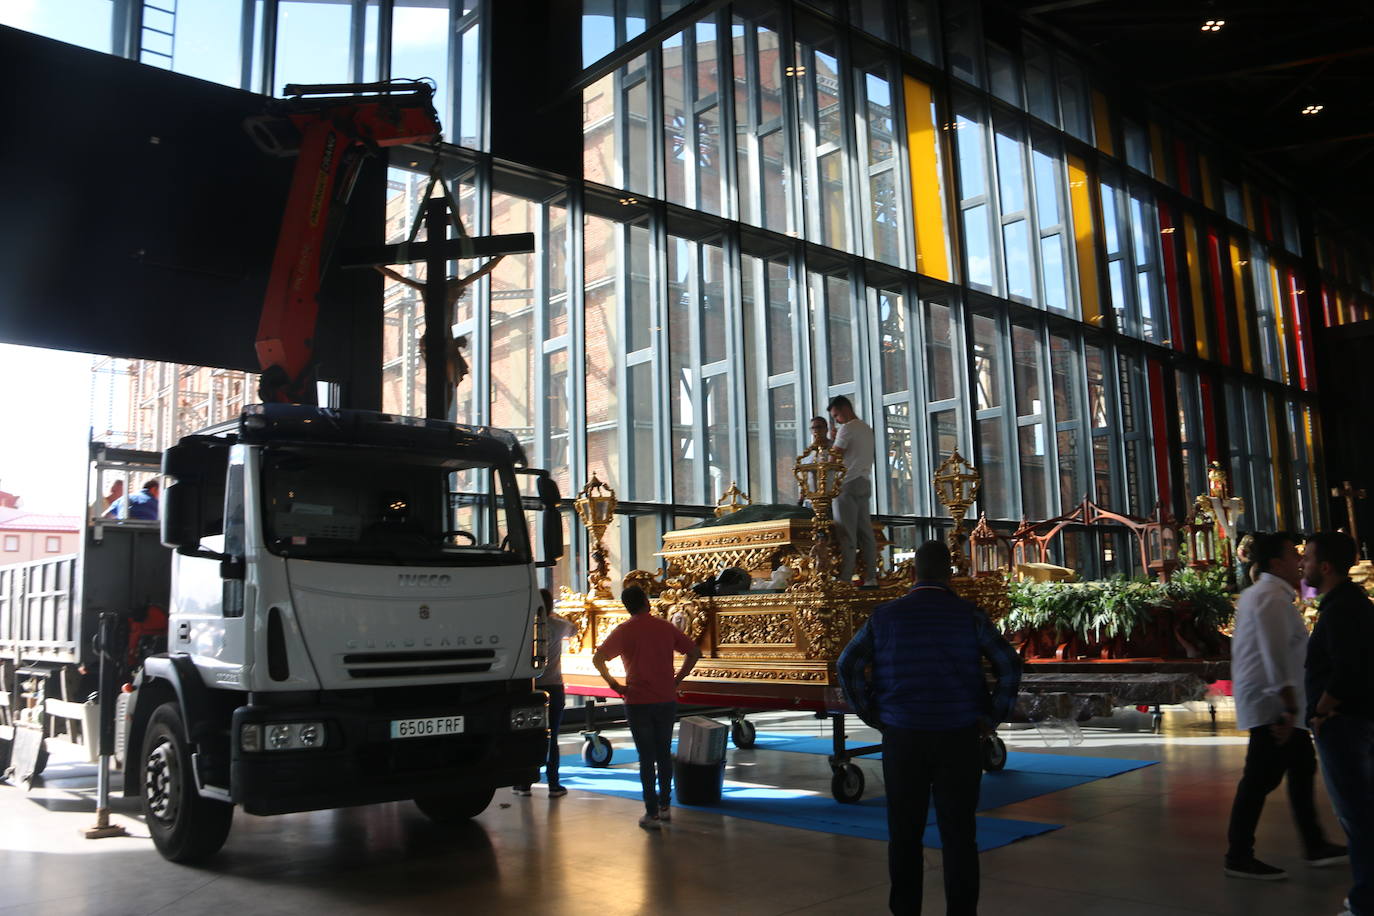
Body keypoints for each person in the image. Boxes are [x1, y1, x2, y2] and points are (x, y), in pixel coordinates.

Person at [838, 540, 1021, 916]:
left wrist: (872, 713)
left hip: (903, 736)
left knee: (904, 835)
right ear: (949, 574)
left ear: (912, 573)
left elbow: (847, 664)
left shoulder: (884, 616)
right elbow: (1009, 665)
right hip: (959, 736)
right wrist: (991, 717)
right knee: (959, 836)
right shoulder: (969, 616)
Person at [1224, 532, 1347, 880]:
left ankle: (1314, 844)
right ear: (1276, 563)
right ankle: (1238, 855)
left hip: (1277, 701)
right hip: (1272, 703)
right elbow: (1273, 653)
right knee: (1259, 779)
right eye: (1294, 556)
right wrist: (1287, 705)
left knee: (1301, 767)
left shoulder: (1271, 594)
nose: (1300, 561)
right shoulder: (1269, 598)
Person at [1303, 531, 1374, 916]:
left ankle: (1365, 901)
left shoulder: (1342, 609)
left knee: (1357, 815)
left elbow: (1348, 671)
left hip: (1344, 722)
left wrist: (1322, 710)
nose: (1303, 565)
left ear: (1325, 566)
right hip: (1356, 717)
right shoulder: (1351, 603)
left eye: (1308, 559)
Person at [592, 585, 702, 830]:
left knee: (646, 757)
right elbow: (694, 652)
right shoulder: (665, 627)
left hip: (638, 700)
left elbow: (598, 659)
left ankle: (650, 811)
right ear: (646, 601)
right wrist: (677, 680)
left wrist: (615, 686)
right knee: (664, 753)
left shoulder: (623, 631)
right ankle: (665, 806)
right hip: (665, 698)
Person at [514, 589, 575, 798]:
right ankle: (554, 784)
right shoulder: (559, 626)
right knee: (553, 736)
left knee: (526, 735)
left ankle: (524, 783)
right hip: (555, 687)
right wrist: (553, 616)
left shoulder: (525, 626)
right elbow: (574, 629)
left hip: (531, 687)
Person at [827, 395, 877, 587]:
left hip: (846, 483)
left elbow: (834, 458)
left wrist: (833, 440)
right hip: (864, 481)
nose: (837, 420)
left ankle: (845, 578)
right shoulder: (866, 428)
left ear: (845, 409)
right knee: (866, 532)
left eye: (836, 415)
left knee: (846, 533)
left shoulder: (847, 429)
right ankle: (871, 577)